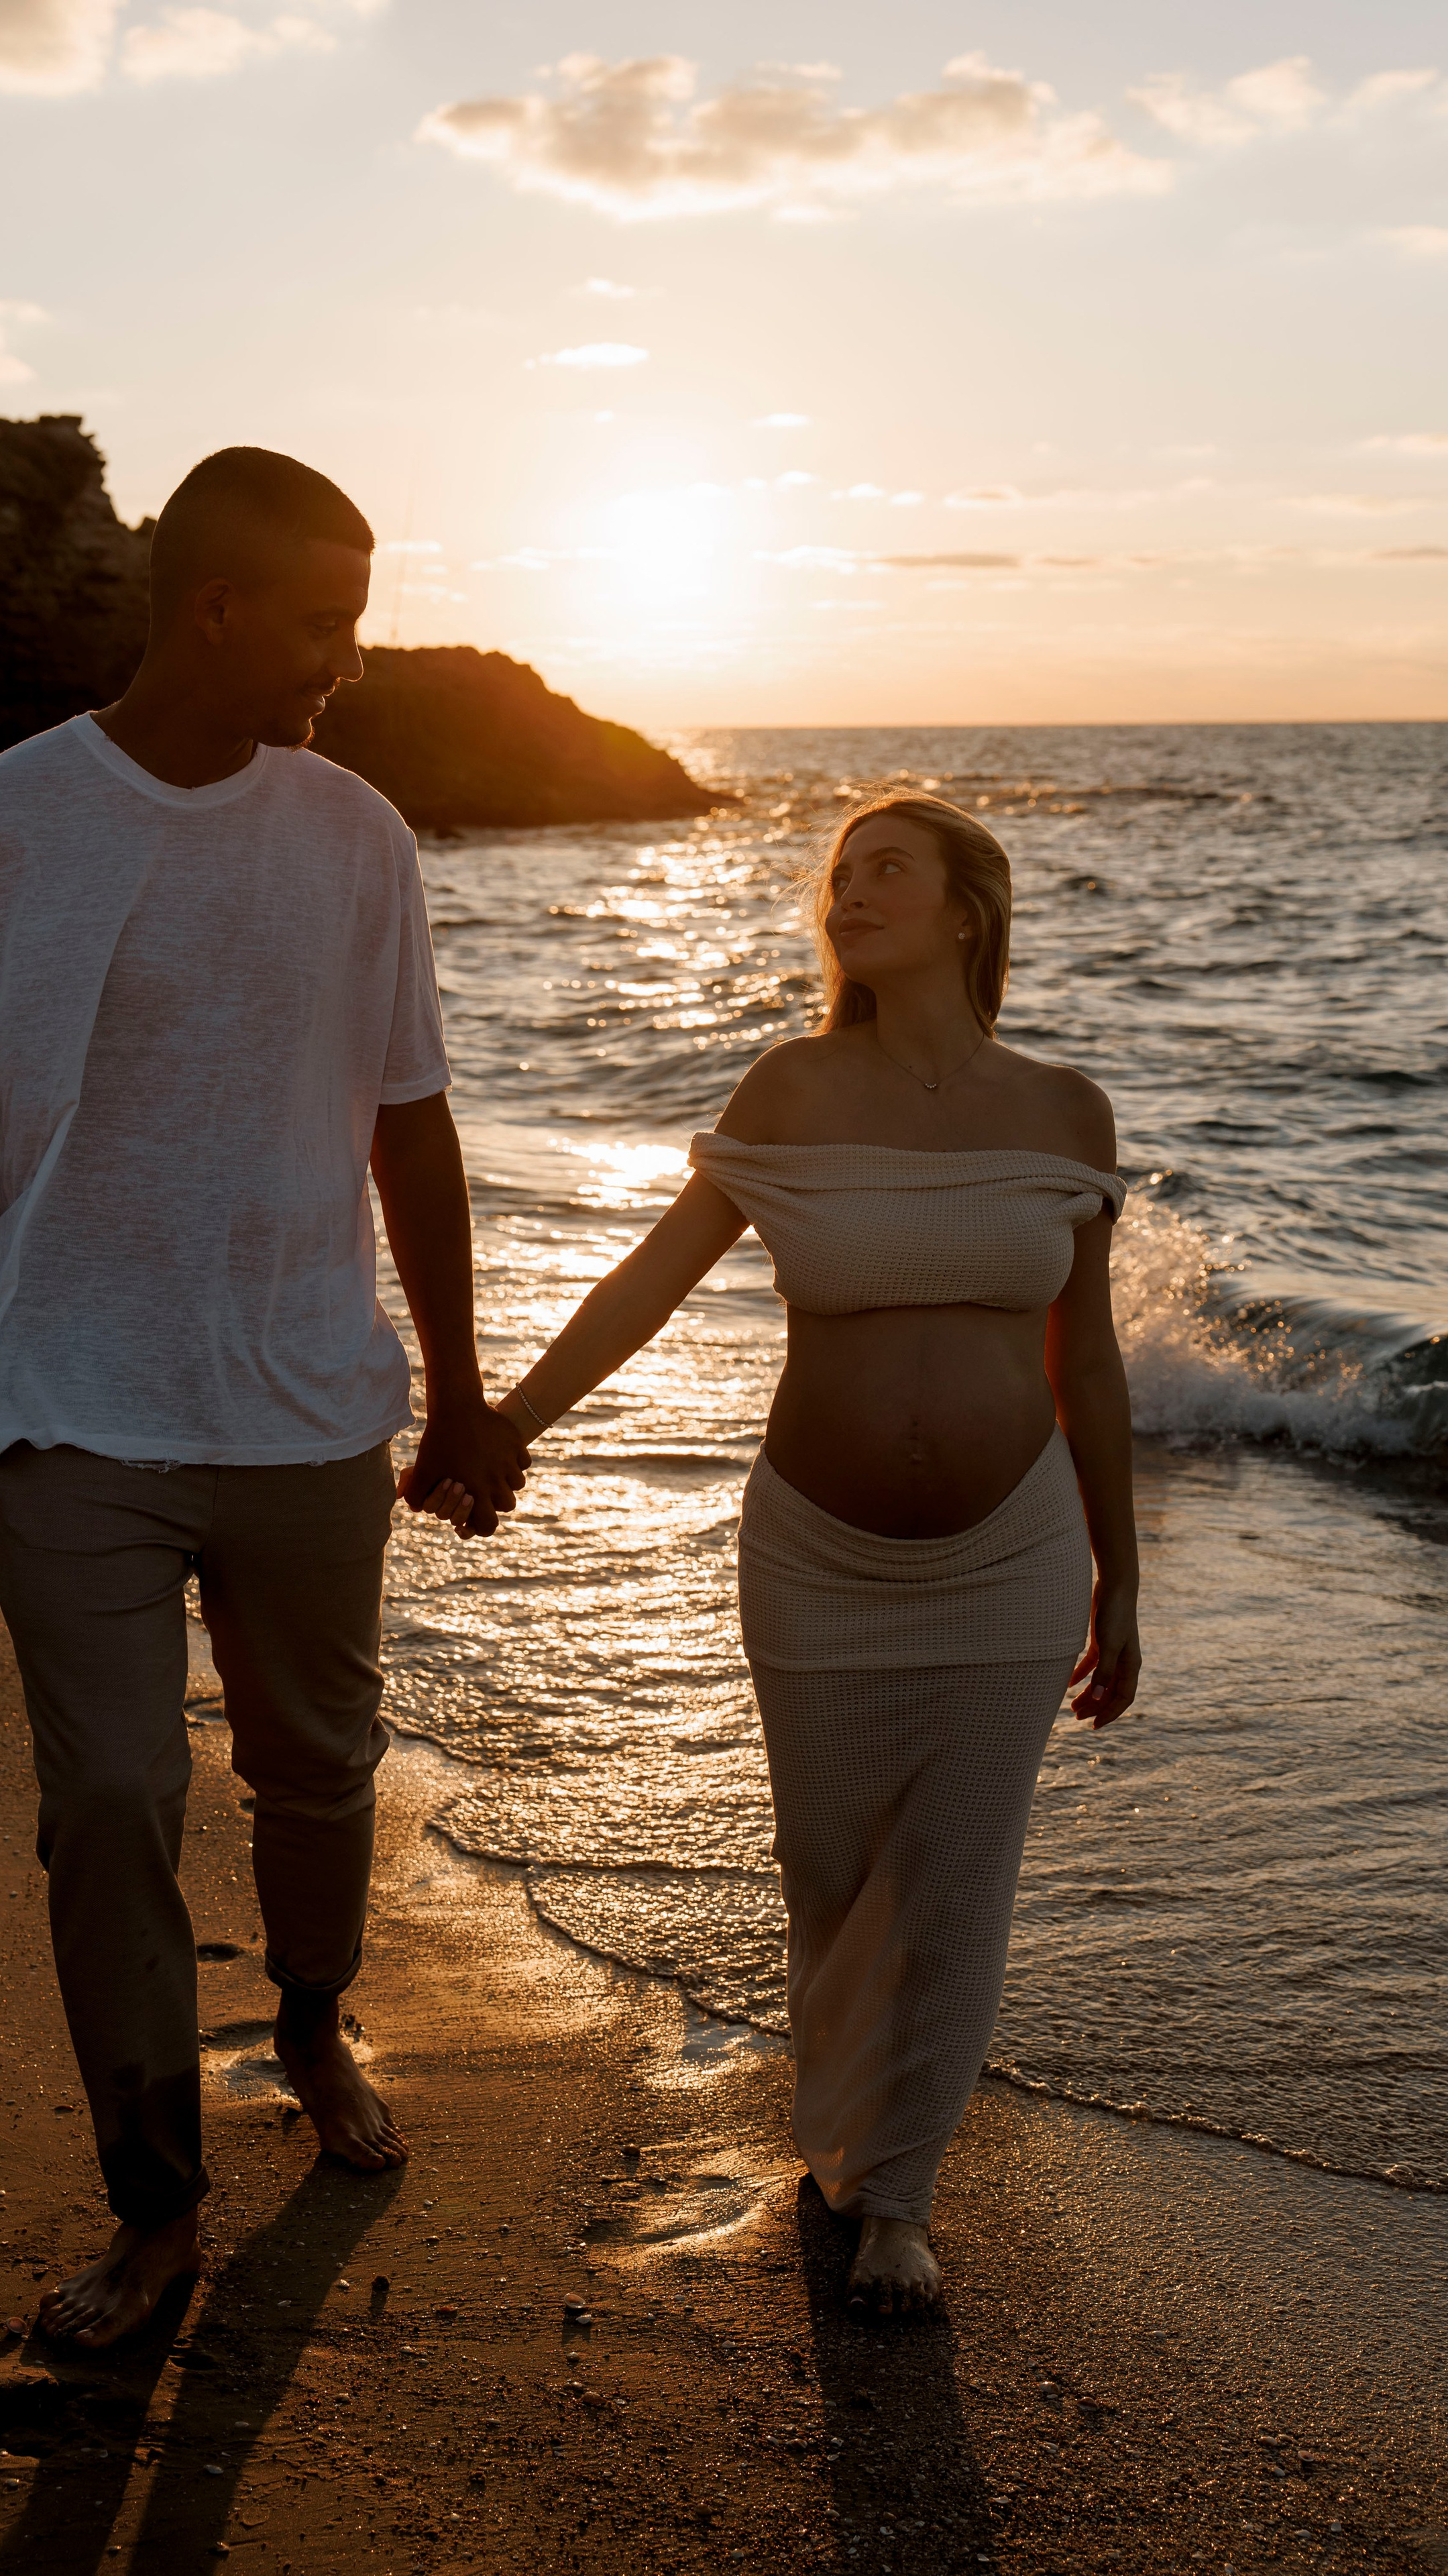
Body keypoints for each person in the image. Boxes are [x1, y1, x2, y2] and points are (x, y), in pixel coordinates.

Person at [0, 445, 528, 2349]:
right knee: (107, 1798)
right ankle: (154, 2207)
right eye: (326, 618)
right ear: (219, 606)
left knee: (318, 1771)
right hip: (74, 1398)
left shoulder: (359, 838)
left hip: (308, 1403)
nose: (352, 654)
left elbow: (414, 1120)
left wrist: (466, 1394)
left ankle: (315, 2025)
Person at [422, 790, 1140, 2315]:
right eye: (838, 874)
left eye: (888, 869)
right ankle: (841, 2129)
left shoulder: (1064, 1112)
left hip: (1009, 1561)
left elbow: (1091, 1364)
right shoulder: (790, 1091)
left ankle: (896, 2197)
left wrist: (1117, 1574)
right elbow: (645, 1286)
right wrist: (505, 1421)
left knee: (956, 1880)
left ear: (965, 913)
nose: (849, 890)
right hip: (818, 1559)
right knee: (824, 1864)